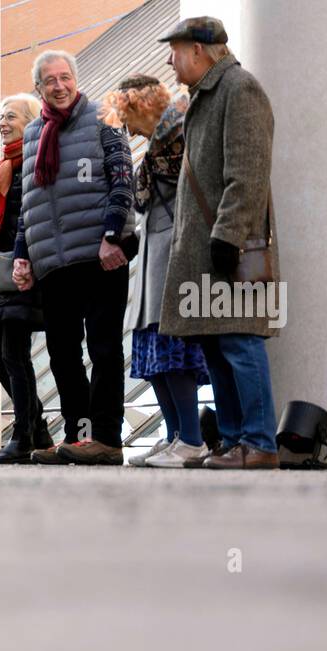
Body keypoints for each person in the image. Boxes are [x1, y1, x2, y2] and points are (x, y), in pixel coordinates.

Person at [159, 16, 280, 470]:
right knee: (216, 345)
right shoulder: (207, 95)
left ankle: (259, 443)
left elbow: (248, 172)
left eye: (175, 51)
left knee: (240, 343)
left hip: (230, 247)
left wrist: (228, 235)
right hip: (207, 249)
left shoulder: (239, 88)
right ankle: (232, 442)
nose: (170, 62)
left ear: (198, 50)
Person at [13, 51, 134, 466]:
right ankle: (77, 436)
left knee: (103, 349)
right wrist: (22, 254)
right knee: (62, 354)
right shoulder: (33, 134)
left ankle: (106, 439)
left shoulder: (104, 116)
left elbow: (123, 179)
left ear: (76, 80)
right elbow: (29, 201)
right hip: (53, 262)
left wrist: (112, 235)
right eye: (51, 80)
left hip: (101, 257)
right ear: (39, 88)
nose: (60, 85)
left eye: (66, 77)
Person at [101, 74, 211, 469]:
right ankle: (174, 437)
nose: (126, 127)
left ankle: (192, 441)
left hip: (176, 253)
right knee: (154, 352)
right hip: (155, 253)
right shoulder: (158, 143)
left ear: (139, 104)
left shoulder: (181, 134)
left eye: (126, 115)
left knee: (172, 350)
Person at [0, 93, 55, 465]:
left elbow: (32, 217)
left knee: (13, 353)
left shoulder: (33, 161)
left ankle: (24, 436)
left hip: (26, 269)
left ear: (30, 121)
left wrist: (24, 259)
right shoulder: (8, 165)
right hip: (4, 269)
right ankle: (36, 429)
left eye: (10, 117)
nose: (2, 124)